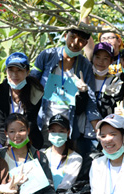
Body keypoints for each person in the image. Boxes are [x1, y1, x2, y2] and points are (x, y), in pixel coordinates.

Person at [30, 28, 102, 157]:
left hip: (68, 129)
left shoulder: (85, 65)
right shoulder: (47, 55)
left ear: (85, 44)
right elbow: (31, 84)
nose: (75, 43)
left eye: (81, 40)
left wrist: (99, 129)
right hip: (43, 126)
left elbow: (91, 101)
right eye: (72, 37)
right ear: (65, 36)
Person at [0, 52, 44, 149]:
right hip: (5, 139)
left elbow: (30, 121)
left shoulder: (36, 92)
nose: (14, 74)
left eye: (19, 70)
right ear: (6, 72)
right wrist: (8, 145)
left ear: (27, 72)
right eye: (11, 70)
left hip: (30, 138)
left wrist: (21, 145)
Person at [42, 114, 83, 194]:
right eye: (53, 131)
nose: (57, 135)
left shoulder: (76, 158)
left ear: (68, 133)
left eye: (61, 131)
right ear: (48, 132)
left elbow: (66, 185)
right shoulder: (42, 153)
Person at [91, 42, 119, 117]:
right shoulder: (85, 79)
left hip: (105, 125)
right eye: (97, 57)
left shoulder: (115, 82)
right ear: (92, 58)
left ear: (111, 61)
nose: (101, 61)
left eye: (105, 58)